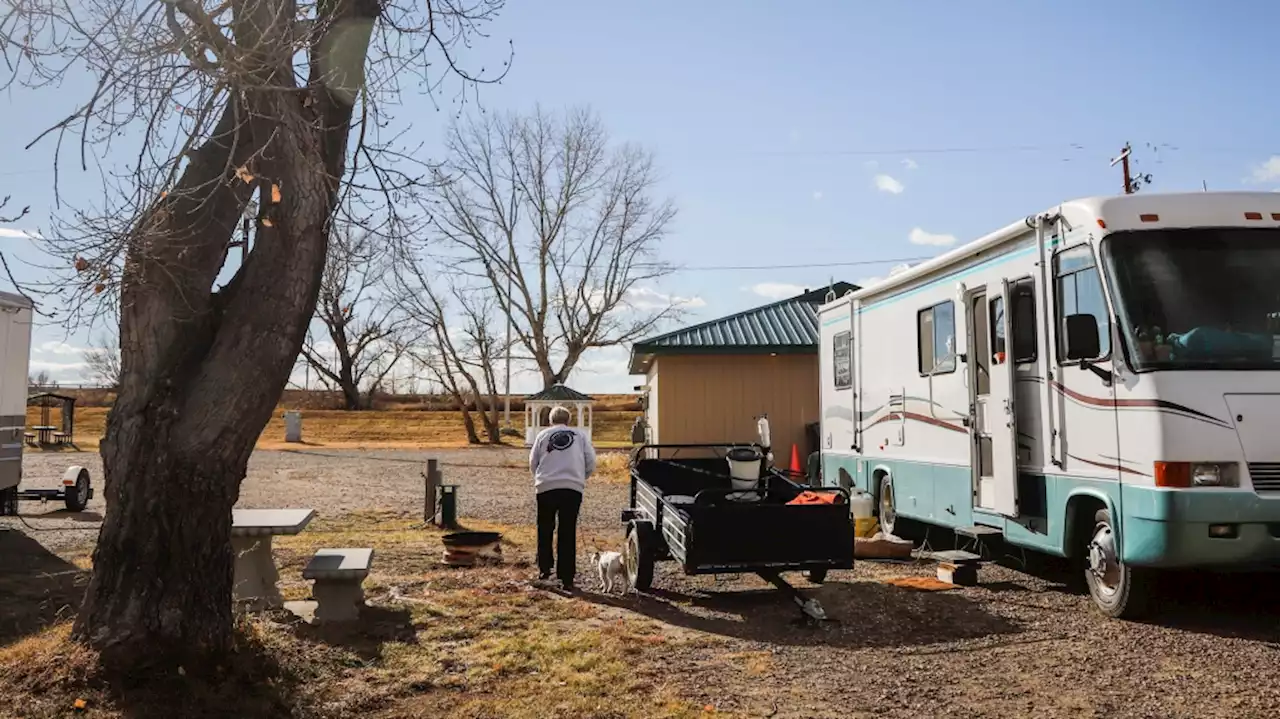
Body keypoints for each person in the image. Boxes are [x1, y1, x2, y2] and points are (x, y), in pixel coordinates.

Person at [529, 405, 596, 590]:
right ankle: (566, 576)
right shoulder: (580, 436)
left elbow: (533, 462)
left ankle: (545, 569)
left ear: (550, 420)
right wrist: (580, 477)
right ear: (569, 420)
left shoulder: (542, 436)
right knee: (567, 531)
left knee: (545, 528)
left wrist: (541, 478)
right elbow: (591, 461)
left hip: (546, 486)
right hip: (572, 487)